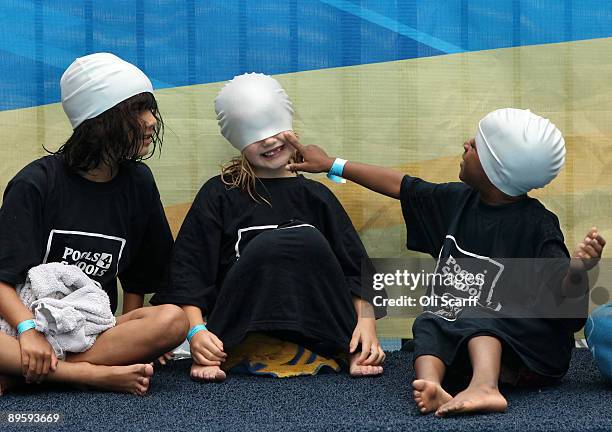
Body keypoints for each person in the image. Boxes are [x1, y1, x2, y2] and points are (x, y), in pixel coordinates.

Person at [283, 108, 605, 416]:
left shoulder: (537, 225)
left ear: (496, 169)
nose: (466, 144)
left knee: (480, 310)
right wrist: (330, 163)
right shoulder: (456, 201)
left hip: (532, 355)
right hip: (465, 345)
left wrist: (578, 271)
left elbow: (563, 309)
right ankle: (432, 385)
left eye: (476, 145)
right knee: (430, 318)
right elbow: (399, 185)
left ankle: (485, 387)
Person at [151, 73, 385, 382]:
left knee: (306, 241)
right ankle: (220, 349)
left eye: (275, 128)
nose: (270, 140)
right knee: (279, 243)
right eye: (255, 133)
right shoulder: (219, 194)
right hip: (238, 332)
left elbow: (357, 270)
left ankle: (350, 348)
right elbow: (189, 273)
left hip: (318, 327)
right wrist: (197, 332)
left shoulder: (317, 197)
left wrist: (366, 327)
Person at [0, 53, 188, 396]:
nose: (151, 121)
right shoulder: (35, 183)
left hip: (87, 329)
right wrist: (27, 330)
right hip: (23, 326)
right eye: (137, 111)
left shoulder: (139, 182)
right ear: (100, 120)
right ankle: (89, 374)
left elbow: (140, 281)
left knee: (173, 320)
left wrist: (136, 346)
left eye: (151, 109)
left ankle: (29, 373)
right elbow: (2, 280)